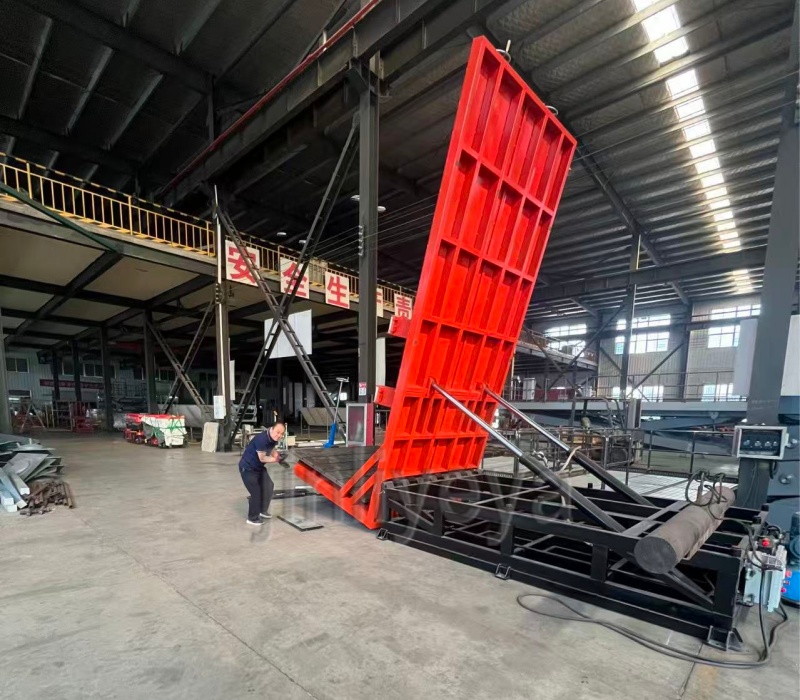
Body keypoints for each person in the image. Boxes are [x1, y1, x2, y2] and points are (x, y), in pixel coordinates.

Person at [239, 422, 285, 525]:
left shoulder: (272, 438)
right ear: (272, 429)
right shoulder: (262, 439)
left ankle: (262, 510)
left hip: (258, 467)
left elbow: (271, 448)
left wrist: (277, 455)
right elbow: (262, 458)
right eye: (278, 432)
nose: (279, 435)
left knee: (268, 486)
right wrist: (276, 460)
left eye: (281, 433)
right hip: (248, 468)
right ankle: (252, 518)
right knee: (256, 492)